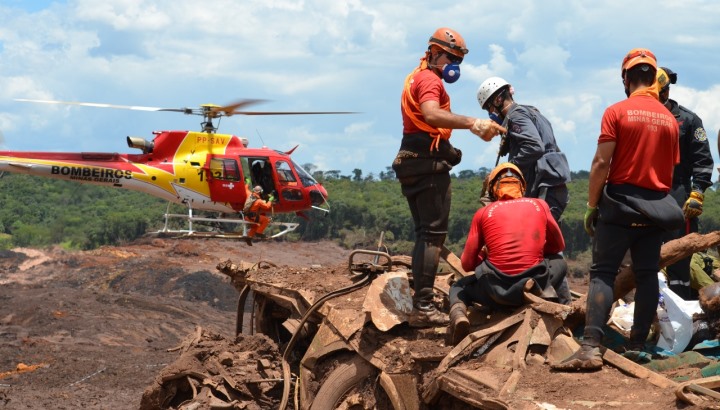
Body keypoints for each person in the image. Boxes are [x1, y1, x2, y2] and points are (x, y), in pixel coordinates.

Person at [552, 48, 683, 371]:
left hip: (620, 204)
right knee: (647, 274)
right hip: (656, 208)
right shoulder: (669, 120)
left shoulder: (617, 111)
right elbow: (669, 170)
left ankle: (590, 347)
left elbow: (601, 162)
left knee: (602, 274)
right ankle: (638, 344)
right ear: (654, 79)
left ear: (626, 78)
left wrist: (592, 204)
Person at [392, 27, 506, 328]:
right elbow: (431, 114)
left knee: (423, 234)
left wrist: (448, 149)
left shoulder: (416, 77)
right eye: (450, 57)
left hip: (411, 158)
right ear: (433, 52)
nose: (454, 64)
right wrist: (473, 122)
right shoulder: (429, 80)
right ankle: (424, 307)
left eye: (458, 59)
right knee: (432, 234)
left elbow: (423, 129)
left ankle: (422, 301)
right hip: (426, 168)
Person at [447, 162, 569, 345]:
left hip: (497, 292)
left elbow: (467, 264)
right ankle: (545, 296)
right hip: (533, 284)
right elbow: (558, 245)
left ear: (493, 190)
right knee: (559, 262)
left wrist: (486, 256)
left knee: (458, 287)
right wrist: (533, 248)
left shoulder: (483, 213)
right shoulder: (540, 205)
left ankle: (459, 316)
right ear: (521, 186)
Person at [475, 77, 571, 223]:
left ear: (497, 100)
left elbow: (534, 147)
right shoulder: (531, 112)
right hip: (550, 185)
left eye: (489, 108)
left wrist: (507, 170)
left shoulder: (516, 116)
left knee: (536, 237)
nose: (490, 114)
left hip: (544, 186)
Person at [655, 67, 714, 300]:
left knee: (679, 256)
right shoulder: (638, 117)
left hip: (678, 192)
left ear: (666, 92)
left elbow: (703, 161)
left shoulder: (689, 121)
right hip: (645, 192)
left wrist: (697, 193)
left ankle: (682, 310)